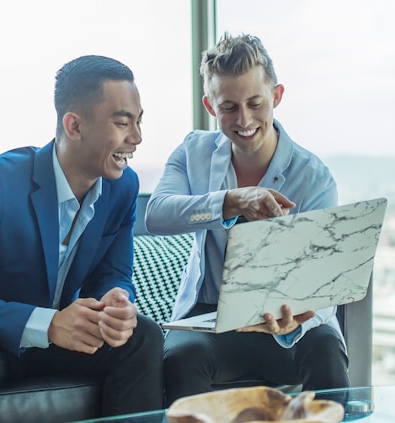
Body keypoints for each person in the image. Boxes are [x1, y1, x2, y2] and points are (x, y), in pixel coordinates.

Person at [0, 55, 163, 422]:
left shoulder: (123, 187)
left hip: (60, 340)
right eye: (123, 123)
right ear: (74, 126)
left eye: (139, 122)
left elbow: (114, 273)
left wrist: (117, 300)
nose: (136, 138)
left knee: (142, 336)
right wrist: (48, 324)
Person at [145, 33, 351, 404]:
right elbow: (157, 215)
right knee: (180, 357)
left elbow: (326, 283)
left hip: (287, 322)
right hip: (210, 320)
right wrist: (230, 201)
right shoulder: (193, 152)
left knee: (326, 348)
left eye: (255, 102)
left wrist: (299, 316)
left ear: (277, 96)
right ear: (210, 105)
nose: (244, 119)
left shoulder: (314, 177)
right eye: (229, 107)